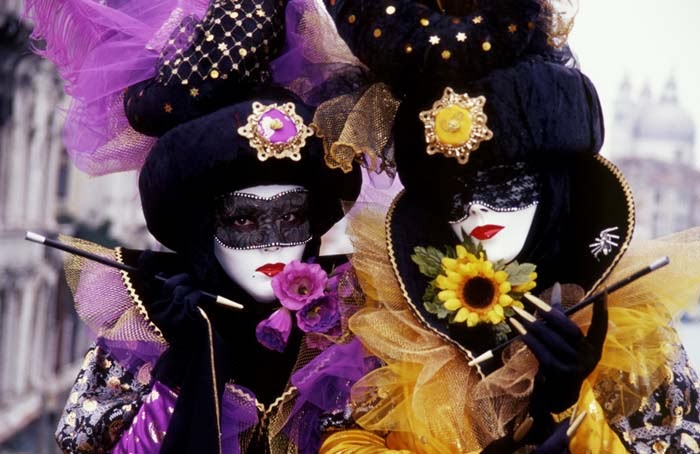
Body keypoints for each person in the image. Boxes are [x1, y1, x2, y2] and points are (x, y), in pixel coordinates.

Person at [310, 0, 700, 451]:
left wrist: (573, 412)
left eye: (503, 184)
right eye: (453, 193)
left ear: (555, 187)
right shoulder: (392, 323)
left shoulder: (633, 337)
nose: (476, 210)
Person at [26, 0, 373, 452]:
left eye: (290, 217)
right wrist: (181, 369)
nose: (272, 244)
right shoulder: (148, 327)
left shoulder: (348, 325)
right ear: (201, 228)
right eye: (244, 218)